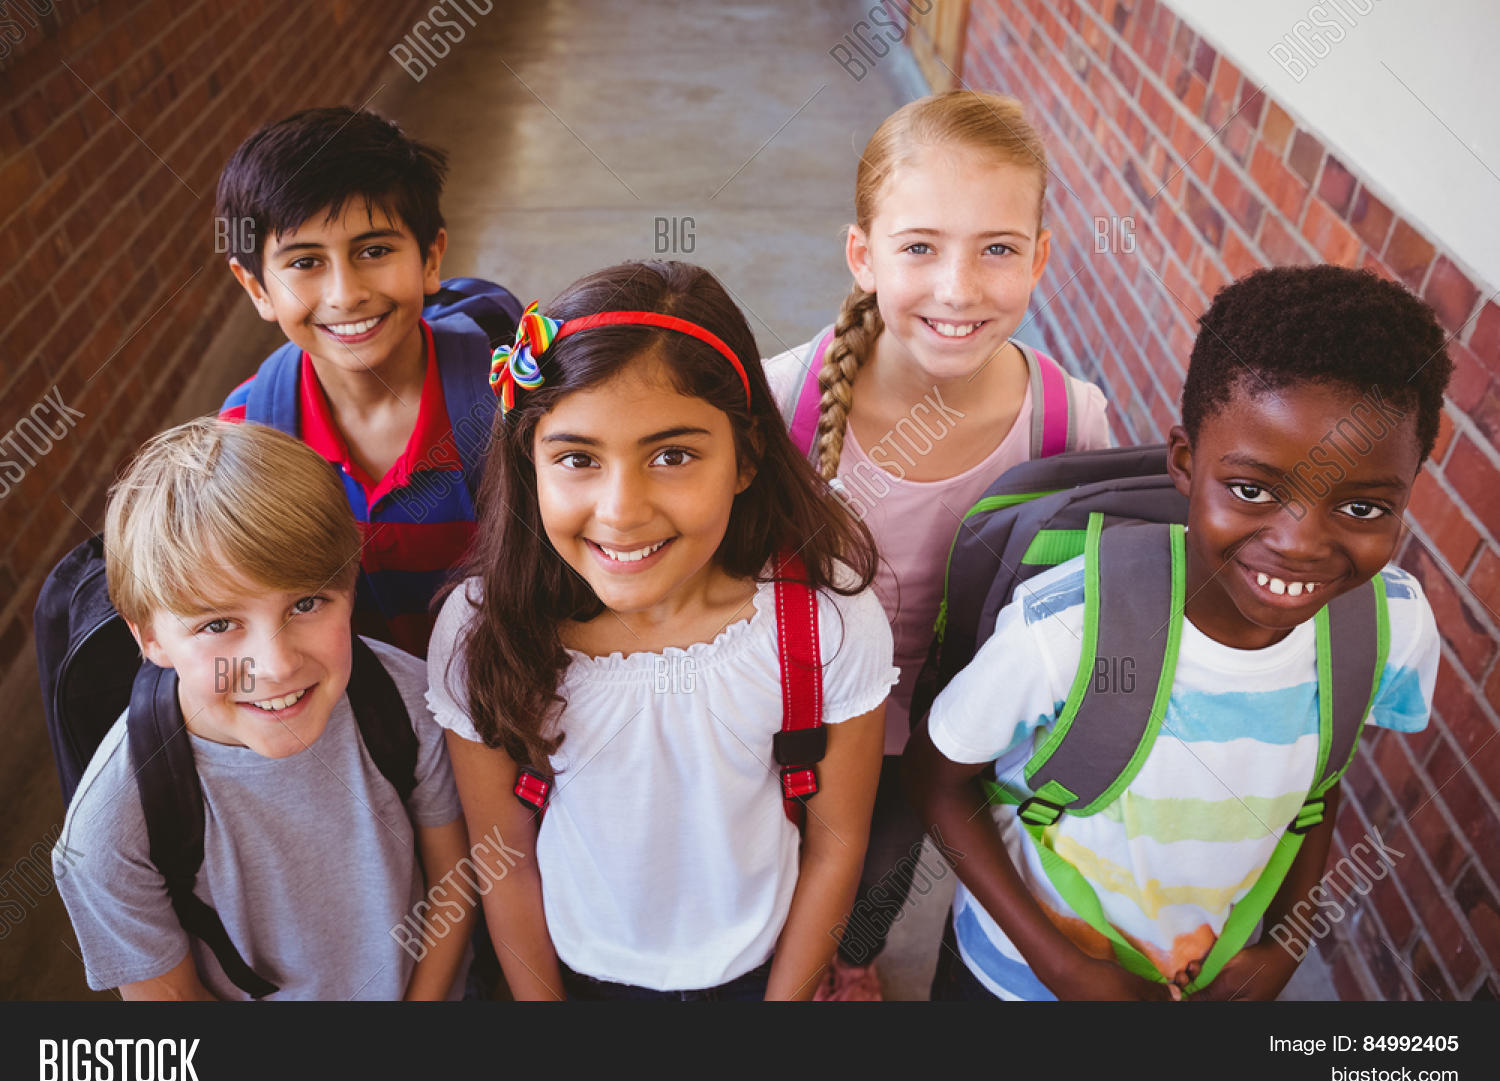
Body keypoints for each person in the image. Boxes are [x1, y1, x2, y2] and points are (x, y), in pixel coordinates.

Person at [905, 264, 1448, 1000]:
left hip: (1215, 977)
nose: (1298, 544)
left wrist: (1286, 942)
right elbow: (939, 781)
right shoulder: (1069, 627)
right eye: (1254, 490)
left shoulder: (1389, 629)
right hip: (1014, 979)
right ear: (1186, 462)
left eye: (1361, 508)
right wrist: (1060, 965)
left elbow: (1317, 782)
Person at [426, 259, 897, 1000]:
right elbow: (503, 859)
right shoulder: (484, 629)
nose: (621, 509)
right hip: (572, 971)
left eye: (672, 455)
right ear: (530, 462)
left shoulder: (826, 622)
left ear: (746, 459)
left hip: (761, 972)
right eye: (577, 458)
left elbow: (836, 846)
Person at [763, 89, 1113, 998]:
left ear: (1039, 258)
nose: (959, 287)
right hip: (783, 721)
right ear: (863, 255)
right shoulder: (780, 401)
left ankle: (854, 958)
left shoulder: (1069, 421)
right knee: (771, 871)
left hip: (936, 736)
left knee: (880, 869)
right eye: (920, 246)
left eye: (997, 248)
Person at [53, 419, 473, 1000]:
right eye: (219, 624)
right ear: (150, 638)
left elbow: (454, 880)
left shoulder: (406, 702)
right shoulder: (111, 830)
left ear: (349, 590)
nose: (273, 665)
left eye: (306, 602)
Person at [216, 107, 507, 656]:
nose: (345, 294)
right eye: (304, 262)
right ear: (256, 288)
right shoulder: (247, 437)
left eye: (374, 252)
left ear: (430, 258)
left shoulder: (511, 396)